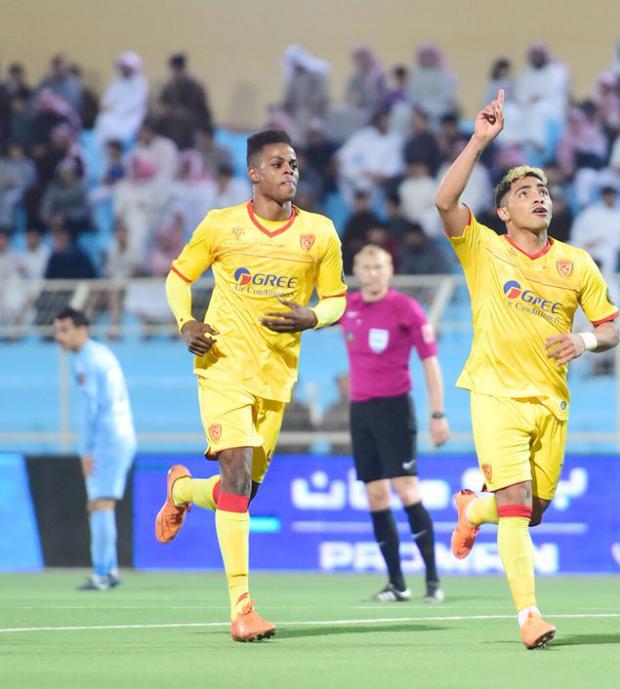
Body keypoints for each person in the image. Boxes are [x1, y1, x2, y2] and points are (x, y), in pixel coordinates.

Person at [435, 90, 620, 649]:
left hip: (551, 400)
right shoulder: (482, 248)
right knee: (516, 505)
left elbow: (611, 328)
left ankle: (472, 508)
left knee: (532, 511)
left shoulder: (576, 262)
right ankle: (530, 616)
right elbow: (445, 201)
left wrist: (584, 340)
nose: (538, 197)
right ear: (503, 211)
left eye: (543, 190)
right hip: (495, 394)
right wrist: (479, 141)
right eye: (524, 192)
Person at [155, 129, 348, 642]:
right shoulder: (221, 225)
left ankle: (182, 490)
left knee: (240, 492)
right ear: (254, 173)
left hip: (276, 379)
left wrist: (313, 317)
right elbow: (178, 278)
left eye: (294, 163)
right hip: (222, 367)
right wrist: (186, 322)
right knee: (238, 473)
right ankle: (242, 609)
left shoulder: (320, 233)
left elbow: (337, 299)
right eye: (278, 163)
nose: (290, 171)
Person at [340, 245, 450, 603]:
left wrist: (437, 413)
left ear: (389, 271)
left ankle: (432, 581)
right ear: (356, 271)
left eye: (378, 267)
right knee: (375, 494)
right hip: (360, 411)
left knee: (406, 489)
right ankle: (397, 584)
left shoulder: (406, 308)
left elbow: (430, 362)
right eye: (366, 267)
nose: (372, 273)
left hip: (395, 409)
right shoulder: (347, 307)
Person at [53, 307, 136, 591]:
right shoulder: (101, 354)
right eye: (57, 330)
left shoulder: (86, 361)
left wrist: (86, 449)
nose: (59, 336)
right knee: (100, 503)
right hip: (120, 432)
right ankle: (108, 570)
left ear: (82, 329)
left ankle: (102, 574)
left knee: (100, 503)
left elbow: (92, 408)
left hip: (107, 436)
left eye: (64, 330)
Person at [156, 53, 213, 150]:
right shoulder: (170, 87)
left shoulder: (195, 87)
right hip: (171, 126)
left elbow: (200, 113)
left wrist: (171, 111)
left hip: (192, 126)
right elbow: (162, 104)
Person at [94, 52, 148, 146]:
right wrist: (107, 108)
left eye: (127, 68)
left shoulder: (139, 84)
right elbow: (106, 101)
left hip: (130, 116)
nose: (125, 70)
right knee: (104, 121)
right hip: (113, 115)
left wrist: (117, 110)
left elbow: (134, 104)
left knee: (124, 130)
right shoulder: (116, 82)